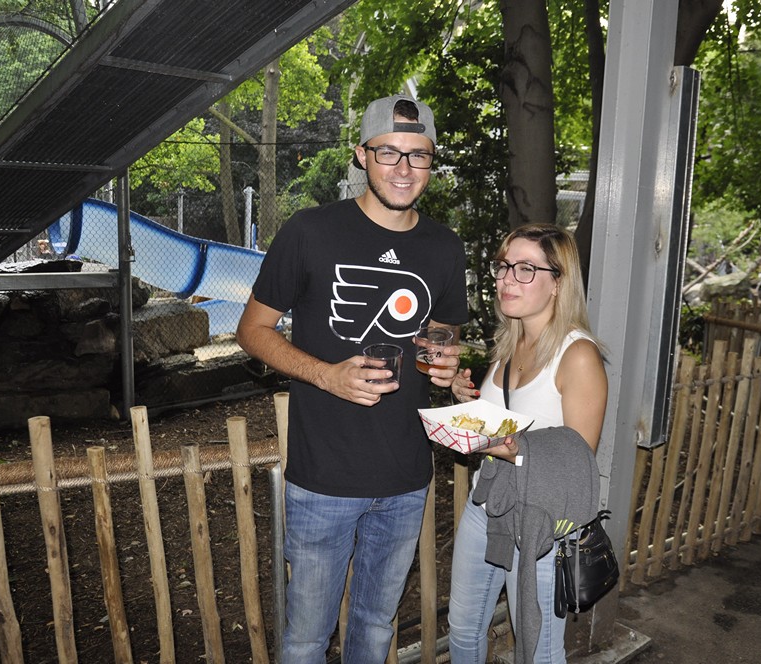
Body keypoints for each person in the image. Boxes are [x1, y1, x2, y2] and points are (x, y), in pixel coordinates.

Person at [236, 94, 468, 664]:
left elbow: (442, 336)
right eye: (389, 152)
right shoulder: (310, 231)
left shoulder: (444, 246)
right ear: (362, 155)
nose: (403, 168)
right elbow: (252, 330)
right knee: (306, 639)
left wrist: (443, 362)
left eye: (418, 155)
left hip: (406, 475)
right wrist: (326, 376)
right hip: (323, 477)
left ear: (431, 162)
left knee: (375, 626)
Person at [447, 223, 608, 664]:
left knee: (538, 649)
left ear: (558, 283)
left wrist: (516, 449)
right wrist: (466, 401)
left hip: (540, 523)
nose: (506, 279)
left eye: (525, 269)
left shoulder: (578, 355)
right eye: (503, 267)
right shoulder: (510, 342)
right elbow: (501, 417)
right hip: (486, 505)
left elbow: (579, 458)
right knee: (462, 629)